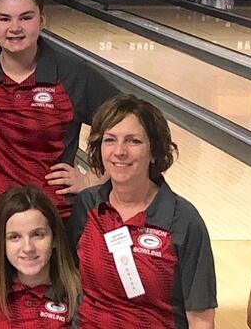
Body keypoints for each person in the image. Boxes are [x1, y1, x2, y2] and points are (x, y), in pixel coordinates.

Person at [0, 0, 118, 239]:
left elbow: (133, 126)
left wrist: (93, 179)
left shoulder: (72, 75)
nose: (14, 28)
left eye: (26, 17)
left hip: (53, 220)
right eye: (4, 18)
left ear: (42, 19)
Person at [68, 94, 217, 328]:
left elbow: (200, 318)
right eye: (110, 140)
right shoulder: (87, 206)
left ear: (154, 151)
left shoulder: (183, 220)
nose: (119, 151)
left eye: (133, 141)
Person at [0, 186, 79, 328]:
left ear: (54, 239)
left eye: (37, 235)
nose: (28, 248)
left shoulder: (78, 297)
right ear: (2, 244)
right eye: (15, 237)